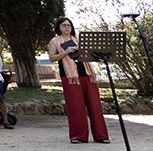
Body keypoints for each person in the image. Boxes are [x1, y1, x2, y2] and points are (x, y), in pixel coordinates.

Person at [47, 16, 110, 144]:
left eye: (69, 25)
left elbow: (91, 54)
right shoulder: (54, 41)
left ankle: (101, 135)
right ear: (59, 27)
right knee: (75, 106)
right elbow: (52, 58)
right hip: (70, 77)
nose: (67, 27)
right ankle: (78, 136)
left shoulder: (78, 38)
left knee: (95, 105)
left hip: (87, 74)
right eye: (64, 25)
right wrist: (66, 52)